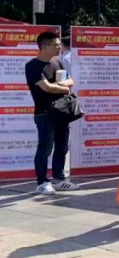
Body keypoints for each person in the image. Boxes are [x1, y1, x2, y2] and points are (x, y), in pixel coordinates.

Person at [26, 31, 78, 195]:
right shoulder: (33, 65)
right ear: (44, 47)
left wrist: (62, 85)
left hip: (62, 111)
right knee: (45, 148)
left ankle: (59, 179)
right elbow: (46, 87)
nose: (59, 48)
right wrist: (64, 88)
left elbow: (70, 81)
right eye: (55, 45)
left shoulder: (57, 62)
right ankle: (42, 181)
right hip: (44, 113)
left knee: (62, 147)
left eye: (59, 45)